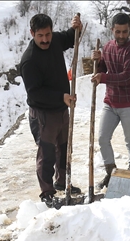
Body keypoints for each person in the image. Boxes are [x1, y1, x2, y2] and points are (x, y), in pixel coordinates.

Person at [19, 13, 83, 205]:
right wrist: (61, 97)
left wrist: (75, 27)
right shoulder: (29, 61)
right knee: (46, 154)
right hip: (43, 114)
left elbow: (71, 37)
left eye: (48, 34)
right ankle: (46, 192)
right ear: (32, 33)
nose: (46, 39)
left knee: (63, 149)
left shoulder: (54, 41)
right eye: (41, 36)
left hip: (61, 109)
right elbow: (34, 94)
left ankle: (62, 182)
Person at [91, 13, 130, 189]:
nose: (121, 35)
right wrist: (97, 62)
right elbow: (103, 70)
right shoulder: (107, 47)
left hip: (129, 104)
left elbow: (126, 77)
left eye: (125, 32)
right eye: (118, 32)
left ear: (129, 29)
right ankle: (110, 173)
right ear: (112, 29)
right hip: (110, 102)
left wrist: (102, 77)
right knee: (102, 138)